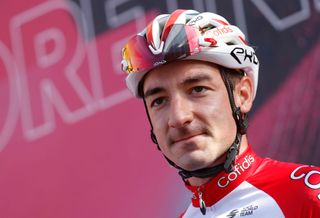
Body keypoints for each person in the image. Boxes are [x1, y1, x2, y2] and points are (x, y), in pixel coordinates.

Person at [121, 9, 320, 217]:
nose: (179, 117)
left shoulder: (307, 196)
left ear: (243, 94)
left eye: (198, 89)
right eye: (159, 101)